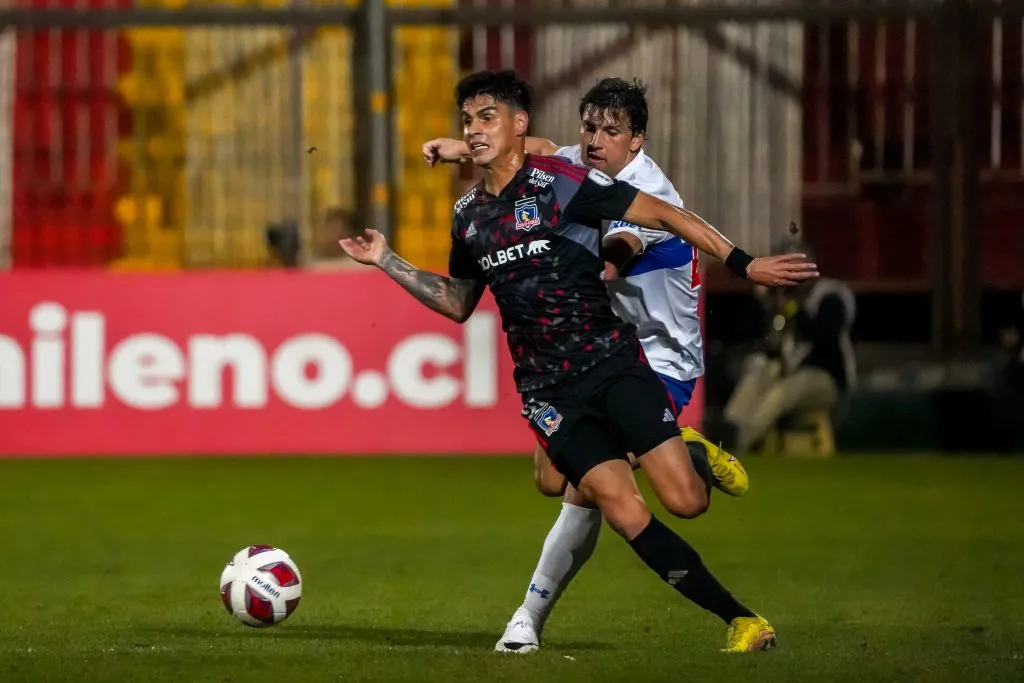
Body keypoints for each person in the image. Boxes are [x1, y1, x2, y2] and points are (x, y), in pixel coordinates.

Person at [340, 69, 817, 653]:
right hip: (547, 390)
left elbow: (660, 219)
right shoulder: (469, 215)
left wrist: (746, 264)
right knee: (610, 504)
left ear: (519, 123)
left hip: (614, 361)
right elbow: (460, 302)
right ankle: (742, 620)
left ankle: (685, 452)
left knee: (687, 502)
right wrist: (388, 261)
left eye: (487, 117)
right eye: (468, 119)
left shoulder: (564, 182)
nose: (474, 128)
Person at [422, 76, 744, 654]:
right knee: (552, 479)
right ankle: (683, 451)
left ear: (638, 140)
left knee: (594, 493)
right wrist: (458, 146)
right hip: (589, 348)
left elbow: (626, 240)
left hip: (657, 352)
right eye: (589, 126)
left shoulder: (643, 183)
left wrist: (599, 272)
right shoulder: (574, 163)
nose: (594, 140)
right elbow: (536, 148)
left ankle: (527, 619)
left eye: (611, 131)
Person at [720, 243, 855, 453]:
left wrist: (796, 310)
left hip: (827, 377)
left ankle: (739, 446)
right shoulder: (780, 298)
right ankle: (727, 432)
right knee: (757, 374)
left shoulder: (829, 295)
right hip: (790, 371)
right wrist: (765, 302)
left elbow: (824, 335)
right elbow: (755, 337)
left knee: (781, 392)